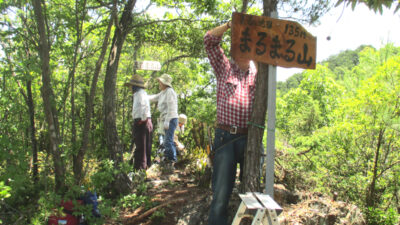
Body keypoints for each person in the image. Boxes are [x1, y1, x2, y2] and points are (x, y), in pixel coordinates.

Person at [204, 20, 258, 225]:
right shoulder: (224, 67)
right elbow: (209, 41)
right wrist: (228, 25)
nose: (243, 49)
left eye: (248, 45)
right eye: (240, 44)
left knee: (252, 191)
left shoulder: (259, 72)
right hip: (225, 137)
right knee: (221, 194)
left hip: (249, 140)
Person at [148, 74, 179, 167]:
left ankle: (172, 161)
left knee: (167, 141)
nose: (159, 83)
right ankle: (170, 159)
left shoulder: (169, 91)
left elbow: (172, 107)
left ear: (165, 83)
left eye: (160, 82)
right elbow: (154, 98)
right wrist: (143, 95)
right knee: (168, 140)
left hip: (171, 118)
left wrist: (167, 120)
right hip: (166, 119)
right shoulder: (163, 92)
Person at [124, 74, 153, 170]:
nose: (130, 88)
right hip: (144, 121)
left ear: (135, 86)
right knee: (145, 146)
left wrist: (142, 120)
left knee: (140, 146)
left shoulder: (140, 94)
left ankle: (140, 169)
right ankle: (146, 166)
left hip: (142, 122)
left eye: (131, 86)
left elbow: (144, 107)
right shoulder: (141, 93)